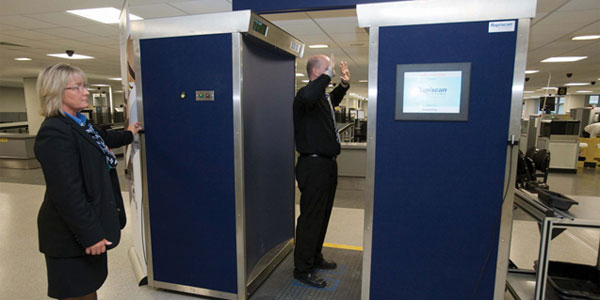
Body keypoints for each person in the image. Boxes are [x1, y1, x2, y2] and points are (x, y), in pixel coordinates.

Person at [34, 63, 142, 300]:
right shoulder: (54, 133)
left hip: (86, 226)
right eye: (77, 87)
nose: (86, 92)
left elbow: (104, 138)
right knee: (77, 291)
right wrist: (90, 234)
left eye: (85, 86)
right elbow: (67, 193)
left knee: (88, 288)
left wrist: (131, 132)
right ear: (55, 92)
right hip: (69, 235)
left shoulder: (81, 124)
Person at [293, 54, 351, 288]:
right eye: (329, 69)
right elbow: (310, 94)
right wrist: (327, 77)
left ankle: (315, 257)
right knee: (311, 217)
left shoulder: (321, 99)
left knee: (324, 214)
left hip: (327, 164)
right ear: (318, 72)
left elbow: (332, 99)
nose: (333, 72)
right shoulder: (304, 96)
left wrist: (344, 85)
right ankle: (302, 269)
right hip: (313, 165)